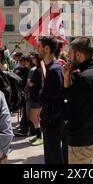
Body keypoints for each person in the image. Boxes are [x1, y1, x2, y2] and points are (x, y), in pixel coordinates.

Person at [61, 37, 93, 164]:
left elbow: (69, 107)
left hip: (81, 139)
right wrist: (67, 79)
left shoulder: (84, 77)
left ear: (78, 54)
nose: (68, 58)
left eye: (70, 54)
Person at [37, 36, 64, 164]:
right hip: (51, 116)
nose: (37, 49)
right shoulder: (53, 67)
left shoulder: (54, 69)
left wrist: (41, 91)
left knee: (53, 154)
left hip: (52, 117)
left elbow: (47, 96)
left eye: (39, 46)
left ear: (46, 49)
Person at [26, 53, 43, 146]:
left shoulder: (38, 70)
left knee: (33, 118)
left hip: (36, 97)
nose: (32, 59)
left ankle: (40, 137)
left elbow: (32, 83)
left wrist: (29, 82)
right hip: (37, 97)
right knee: (36, 118)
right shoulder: (39, 69)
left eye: (33, 58)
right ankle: (38, 136)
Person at [14, 54, 33, 137]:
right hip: (19, 93)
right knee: (24, 110)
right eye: (20, 60)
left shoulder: (29, 70)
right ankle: (24, 128)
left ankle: (25, 129)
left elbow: (26, 82)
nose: (20, 62)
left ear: (26, 61)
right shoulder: (17, 69)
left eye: (22, 60)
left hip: (26, 93)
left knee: (26, 112)